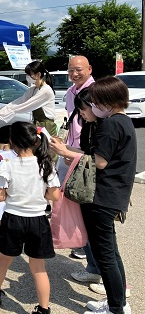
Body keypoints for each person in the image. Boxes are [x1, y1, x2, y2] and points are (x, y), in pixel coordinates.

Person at [0, 121, 60, 314]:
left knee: (3, 259)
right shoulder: (46, 163)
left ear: (12, 142)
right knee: (38, 267)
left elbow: (0, 196)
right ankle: (44, 309)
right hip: (38, 220)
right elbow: (55, 196)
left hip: (13, 218)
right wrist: (39, 195)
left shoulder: (7, 165)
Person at [82, 77, 135, 314]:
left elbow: (100, 162)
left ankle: (115, 308)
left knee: (106, 256)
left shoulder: (111, 125)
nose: (93, 105)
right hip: (114, 196)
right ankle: (120, 302)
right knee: (111, 253)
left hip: (102, 198)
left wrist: (68, 153)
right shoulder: (124, 121)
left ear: (106, 101)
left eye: (95, 101)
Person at [57, 55, 94, 261]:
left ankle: (89, 255)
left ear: (89, 69)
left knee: (83, 201)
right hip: (71, 149)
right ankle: (82, 245)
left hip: (85, 153)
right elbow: (71, 122)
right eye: (70, 70)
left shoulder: (96, 91)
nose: (74, 74)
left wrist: (78, 153)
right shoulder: (71, 92)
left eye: (78, 69)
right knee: (73, 200)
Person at [0, 60, 56, 145]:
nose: (28, 77)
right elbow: (17, 102)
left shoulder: (45, 90)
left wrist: (0, 115)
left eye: (30, 74)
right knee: (38, 151)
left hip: (47, 126)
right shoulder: (33, 89)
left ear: (38, 74)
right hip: (37, 125)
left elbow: (25, 106)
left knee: (48, 151)